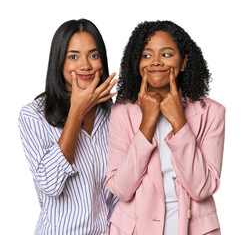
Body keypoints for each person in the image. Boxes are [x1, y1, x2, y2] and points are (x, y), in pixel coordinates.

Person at [106, 20, 225, 235]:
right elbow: (121, 189)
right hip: (134, 228)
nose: (156, 62)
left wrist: (180, 123)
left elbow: (202, 189)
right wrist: (147, 124)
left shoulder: (212, 112)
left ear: (183, 62)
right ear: (137, 63)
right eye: (147, 55)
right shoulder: (121, 112)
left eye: (167, 54)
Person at [18, 18, 118, 234]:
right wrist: (76, 112)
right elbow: (51, 184)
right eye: (73, 56)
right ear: (59, 62)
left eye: (93, 55)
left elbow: (122, 194)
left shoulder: (115, 117)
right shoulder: (34, 115)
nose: (85, 65)